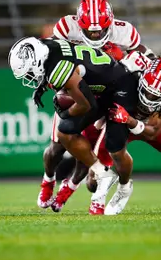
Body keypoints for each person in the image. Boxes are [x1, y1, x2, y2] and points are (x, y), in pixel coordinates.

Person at [38, 0, 156, 211]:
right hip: (77, 89)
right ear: (79, 24)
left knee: (88, 152)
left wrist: (148, 65)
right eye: (89, 30)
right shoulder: (66, 26)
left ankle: (70, 187)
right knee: (57, 146)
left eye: (99, 30)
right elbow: (51, 57)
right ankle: (48, 179)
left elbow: (147, 57)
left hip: (107, 92)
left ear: (109, 23)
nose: (94, 34)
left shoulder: (124, 32)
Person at [8, 36, 139, 213]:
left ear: (38, 61)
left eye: (31, 72)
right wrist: (44, 86)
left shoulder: (58, 71)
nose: (30, 77)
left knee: (99, 142)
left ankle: (114, 181)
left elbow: (87, 105)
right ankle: (98, 173)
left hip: (118, 89)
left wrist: (65, 113)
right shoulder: (45, 45)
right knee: (62, 137)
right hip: (98, 85)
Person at [84, 51, 161, 215]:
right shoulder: (131, 68)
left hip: (141, 126)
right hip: (118, 123)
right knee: (92, 183)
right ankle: (124, 188)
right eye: (147, 91)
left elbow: (153, 132)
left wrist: (129, 120)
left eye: (155, 96)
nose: (149, 98)